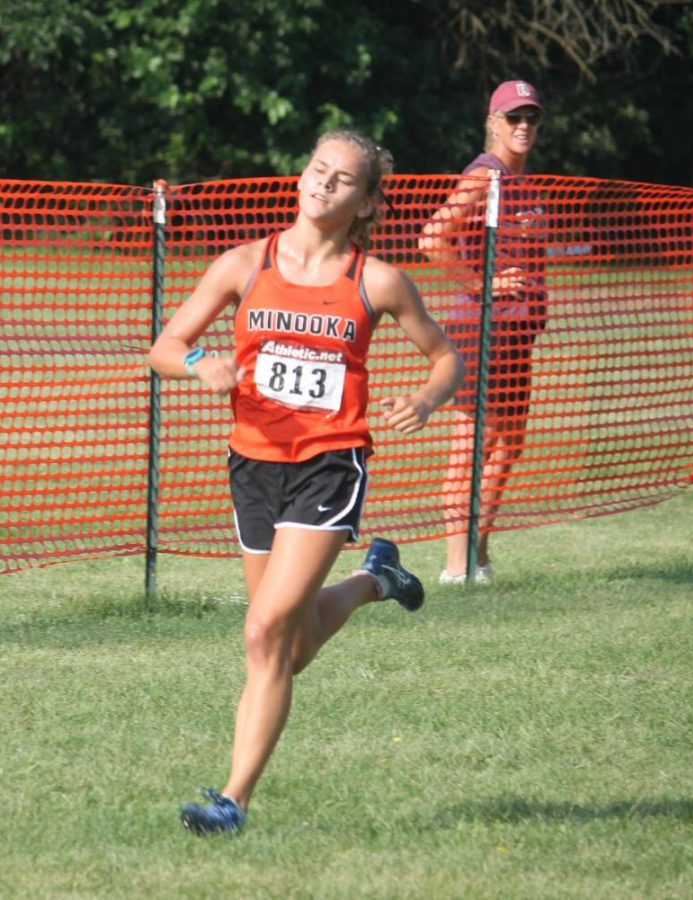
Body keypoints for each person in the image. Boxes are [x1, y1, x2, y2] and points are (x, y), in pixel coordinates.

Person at [148, 129, 464, 835]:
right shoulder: (242, 264)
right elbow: (163, 346)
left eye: (343, 179)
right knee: (288, 648)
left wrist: (423, 399)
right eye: (317, 170)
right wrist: (200, 361)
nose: (323, 184)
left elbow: (446, 357)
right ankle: (376, 579)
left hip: (329, 462)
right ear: (301, 176)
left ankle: (231, 802)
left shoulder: (376, 281)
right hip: (253, 465)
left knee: (262, 631)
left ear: (365, 202)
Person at [418, 80, 547, 584]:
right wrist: (482, 282)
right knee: (474, 444)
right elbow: (433, 238)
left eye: (531, 117)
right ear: (492, 122)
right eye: (513, 117)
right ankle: (456, 568)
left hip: (517, 330)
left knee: (509, 444)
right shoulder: (483, 178)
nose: (523, 126)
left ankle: (479, 556)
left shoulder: (523, 179)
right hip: (482, 328)